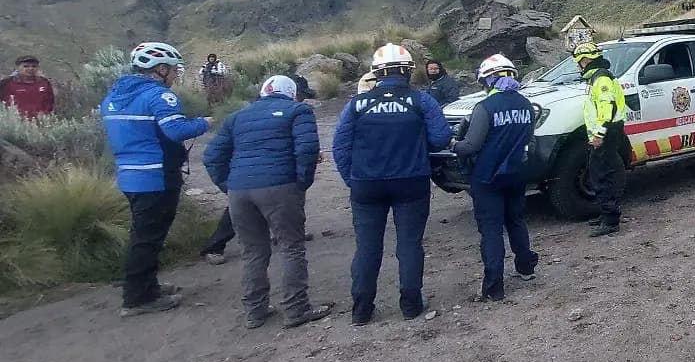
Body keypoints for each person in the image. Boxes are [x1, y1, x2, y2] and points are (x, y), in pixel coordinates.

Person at [333, 43, 452, 326]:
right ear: (408, 70)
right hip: (411, 181)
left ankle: (361, 310)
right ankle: (410, 305)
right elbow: (440, 138)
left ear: (376, 72)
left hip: (366, 184)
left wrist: (353, 180)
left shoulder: (357, 104)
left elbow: (340, 147)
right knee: (409, 244)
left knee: (367, 246)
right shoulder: (421, 100)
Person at [203, 75, 333, 329]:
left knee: (252, 251)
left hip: (240, 192)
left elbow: (212, 156)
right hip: (280, 186)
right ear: (292, 93)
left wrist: (228, 186)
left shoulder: (237, 116)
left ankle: (255, 311)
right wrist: (302, 182)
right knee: (291, 247)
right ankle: (296, 309)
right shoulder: (298, 111)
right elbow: (307, 149)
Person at [100, 42, 212, 317]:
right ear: (160, 69)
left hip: (129, 174)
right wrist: (205, 122)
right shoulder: (158, 95)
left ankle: (147, 286)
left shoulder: (114, 96)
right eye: (173, 70)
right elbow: (177, 130)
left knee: (143, 234)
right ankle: (137, 298)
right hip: (156, 175)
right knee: (148, 237)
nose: (175, 75)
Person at [451, 54, 539, 301]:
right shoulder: (525, 104)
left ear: (487, 81)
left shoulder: (485, 107)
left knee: (491, 230)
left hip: (487, 177)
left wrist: (454, 144)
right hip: (517, 173)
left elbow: (471, 145)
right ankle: (526, 268)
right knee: (516, 221)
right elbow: (529, 139)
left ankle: (494, 287)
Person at [573, 42, 629, 237]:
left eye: (578, 62)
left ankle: (610, 219)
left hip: (606, 132)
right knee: (601, 172)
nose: (578, 67)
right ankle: (606, 213)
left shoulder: (601, 79)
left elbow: (608, 107)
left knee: (602, 175)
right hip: (607, 131)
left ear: (585, 60)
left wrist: (599, 133)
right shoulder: (597, 77)